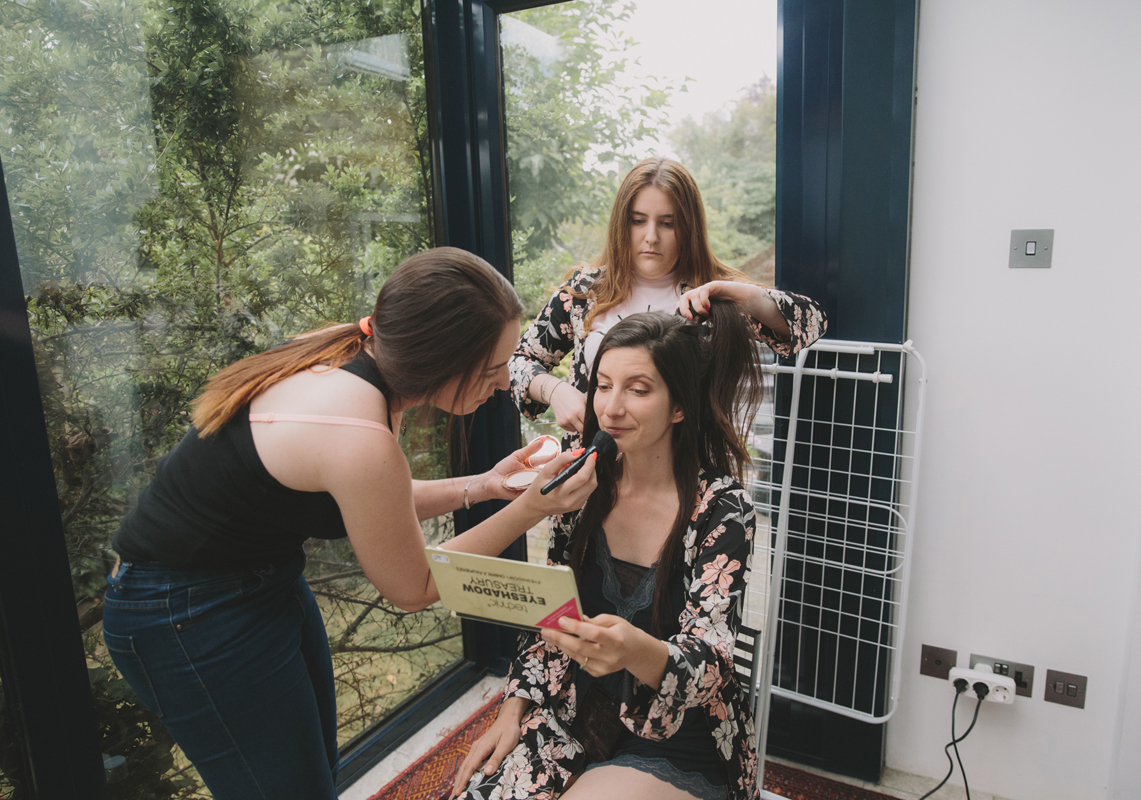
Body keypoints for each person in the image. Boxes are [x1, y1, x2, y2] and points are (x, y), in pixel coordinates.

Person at [102, 247, 598, 799]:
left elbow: (376, 498)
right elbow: (416, 587)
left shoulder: (362, 370)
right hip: (181, 612)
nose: (506, 382)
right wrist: (531, 508)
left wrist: (482, 486)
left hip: (259, 581)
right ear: (440, 360)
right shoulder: (359, 431)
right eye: (491, 369)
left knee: (311, 779)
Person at [453, 302, 769, 800]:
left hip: (680, 733)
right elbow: (550, 615)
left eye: (638, 390)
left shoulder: (722, 511)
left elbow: (712, 659)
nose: (611, 408)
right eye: (602, 386)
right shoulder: (578, 485)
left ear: (680, 405)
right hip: (574, 712)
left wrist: (636, 651)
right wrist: (512, 709)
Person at [509, 156, 826, 441]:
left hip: (683, 476)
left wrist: (737, 293)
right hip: (591, 470)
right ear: (622, 223)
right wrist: (555, 390)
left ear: (688, 228)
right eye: (638, 220)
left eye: (667, 223)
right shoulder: (585, 291)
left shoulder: (711, 296)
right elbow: (517, 361)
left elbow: (810, 322)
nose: (651, 237)